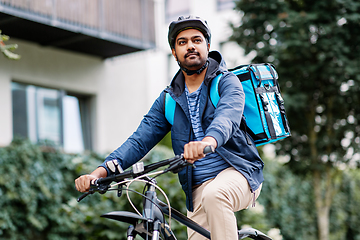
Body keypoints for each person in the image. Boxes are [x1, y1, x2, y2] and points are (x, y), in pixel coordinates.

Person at [75, 15, 264, 240]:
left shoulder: (226, 82)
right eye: (182, 42)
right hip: (197, 189)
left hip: (239, 173)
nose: (190, 46)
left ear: (208, 46)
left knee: (216, 195)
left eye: (197, 40)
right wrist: (99, 172)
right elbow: (138, 141)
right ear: (174, 52)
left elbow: (227, 118)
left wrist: (207, 142)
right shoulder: (169, 99)